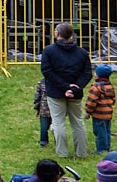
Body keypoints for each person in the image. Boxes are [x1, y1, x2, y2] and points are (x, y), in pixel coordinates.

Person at [40, 22, 93, 158]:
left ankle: (62, 153)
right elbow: (87, 73)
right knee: (78, 123)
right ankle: (81, 152)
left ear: (57, 34)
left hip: (56, 92)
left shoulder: (49, 51)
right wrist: (75, 87)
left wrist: (65, 87)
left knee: (58, 123)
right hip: (75, 93)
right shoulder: (82, 52)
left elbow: (47, 71)